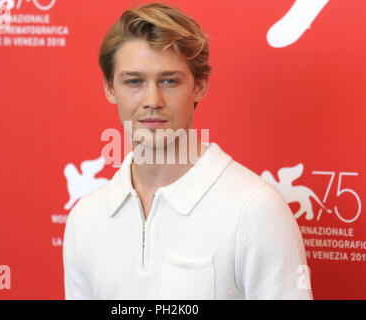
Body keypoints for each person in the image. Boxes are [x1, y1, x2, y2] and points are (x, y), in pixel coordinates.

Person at [63, 2, 312, 300]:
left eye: (169, 81)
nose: (152, 99)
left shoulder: (255, 209)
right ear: (110, 88)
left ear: (200, 85)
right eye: (134, 82)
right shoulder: (85, 219)